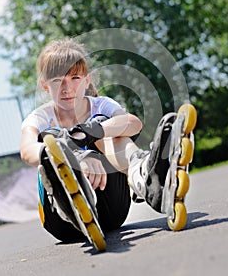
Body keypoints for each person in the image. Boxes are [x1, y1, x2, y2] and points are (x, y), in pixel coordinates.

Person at [20, 37, 173, 243]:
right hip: (62, 223)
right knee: (49, 138)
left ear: (87, 79)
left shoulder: (101, 105)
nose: (67, 88)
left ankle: (146, 179)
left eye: (75, 78)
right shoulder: (40, 117)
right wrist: (75, 156)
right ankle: (74, 196)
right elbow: (27, 149)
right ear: (45, 86)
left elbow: (133, 123)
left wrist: (93, 131)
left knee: (105, 123)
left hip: (112, 211)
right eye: (58, 81)